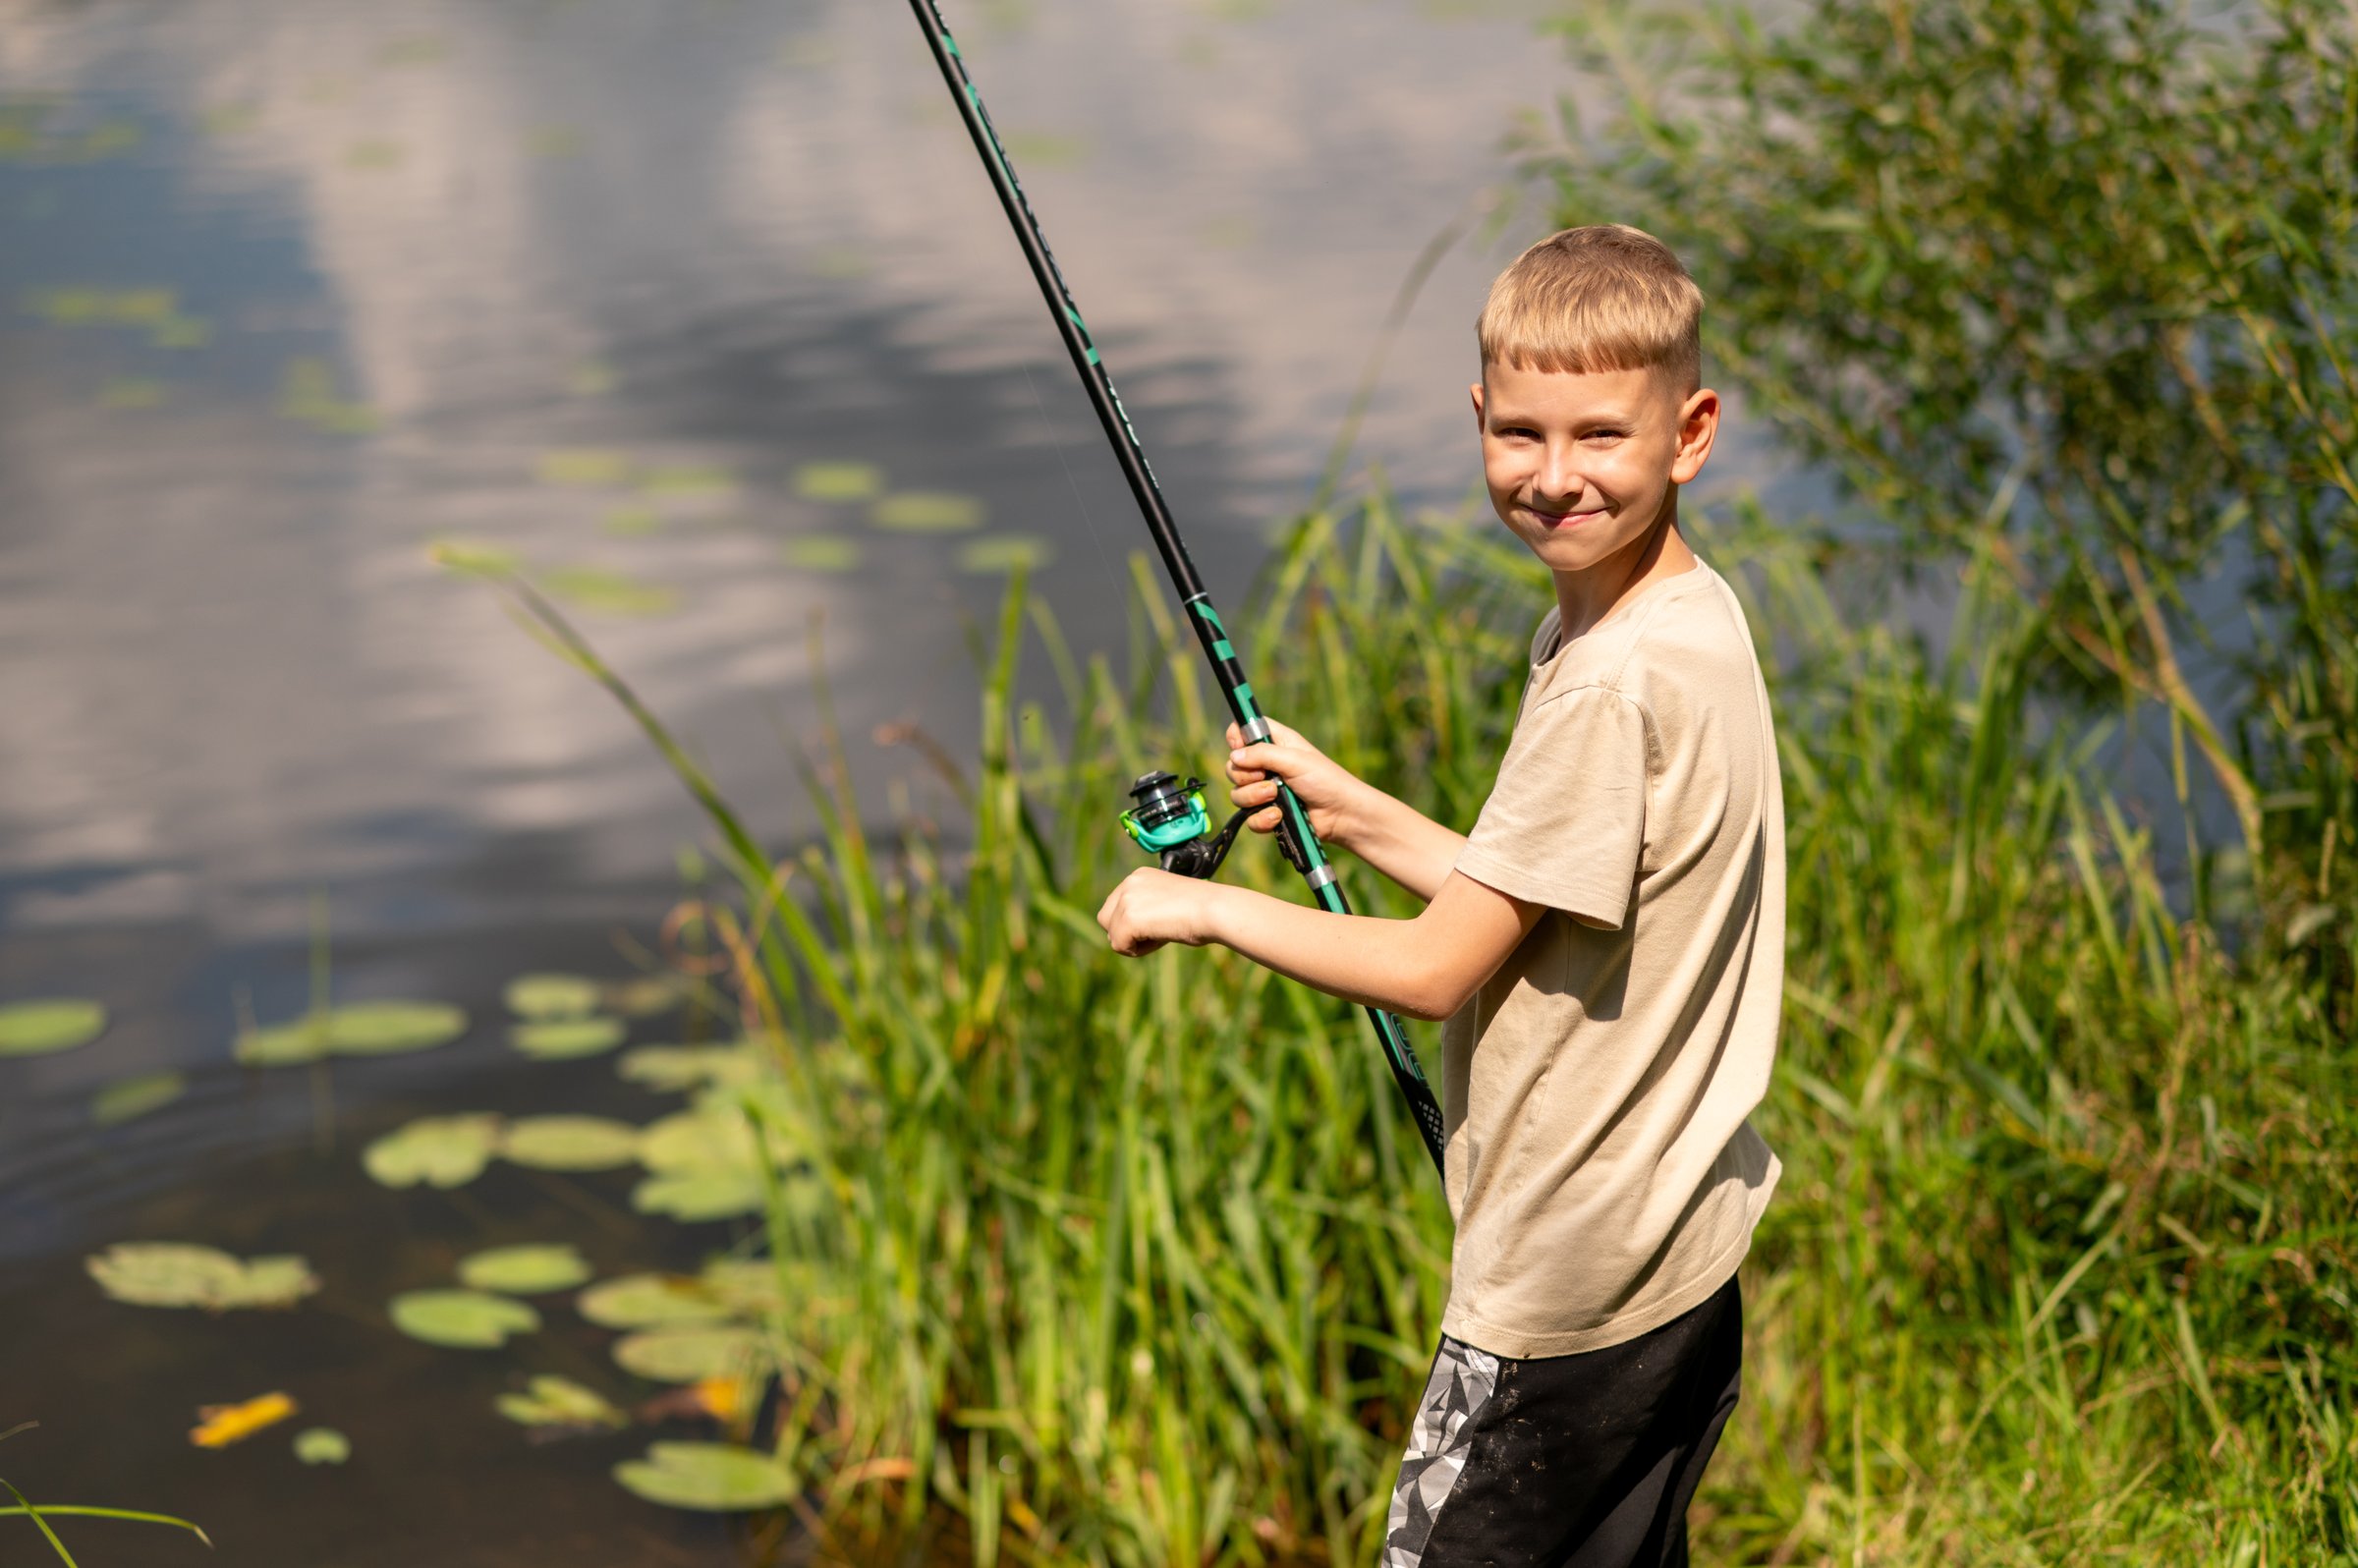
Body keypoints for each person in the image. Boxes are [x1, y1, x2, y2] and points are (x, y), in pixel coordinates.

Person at [1095, 224, 1784, 1567]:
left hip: (1563, 1294)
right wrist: (1349, 808)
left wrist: (1203, 909)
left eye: (1600, 436)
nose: (1553, 477)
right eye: (1519, 435)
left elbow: (1435, 969)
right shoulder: (1677, 620)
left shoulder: (1604, 683)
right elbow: (1550, 885)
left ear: (1690, 433)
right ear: (1478, 418)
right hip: (1678, 1247)